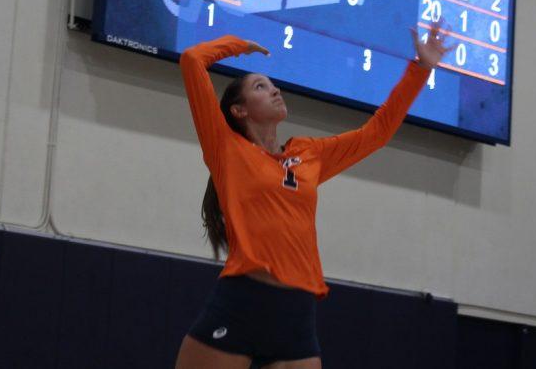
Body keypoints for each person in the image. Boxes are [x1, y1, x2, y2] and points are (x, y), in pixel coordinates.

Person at [174, 24, 449, 369]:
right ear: (239, 111)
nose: (276, 91)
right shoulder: (225, 148)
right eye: (261, 87)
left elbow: (377, 133)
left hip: (296, 312)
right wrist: (238, 46)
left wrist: (420, 69)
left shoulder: (308, 154)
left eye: (274, 86)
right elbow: (191, 60)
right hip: (243, 300)